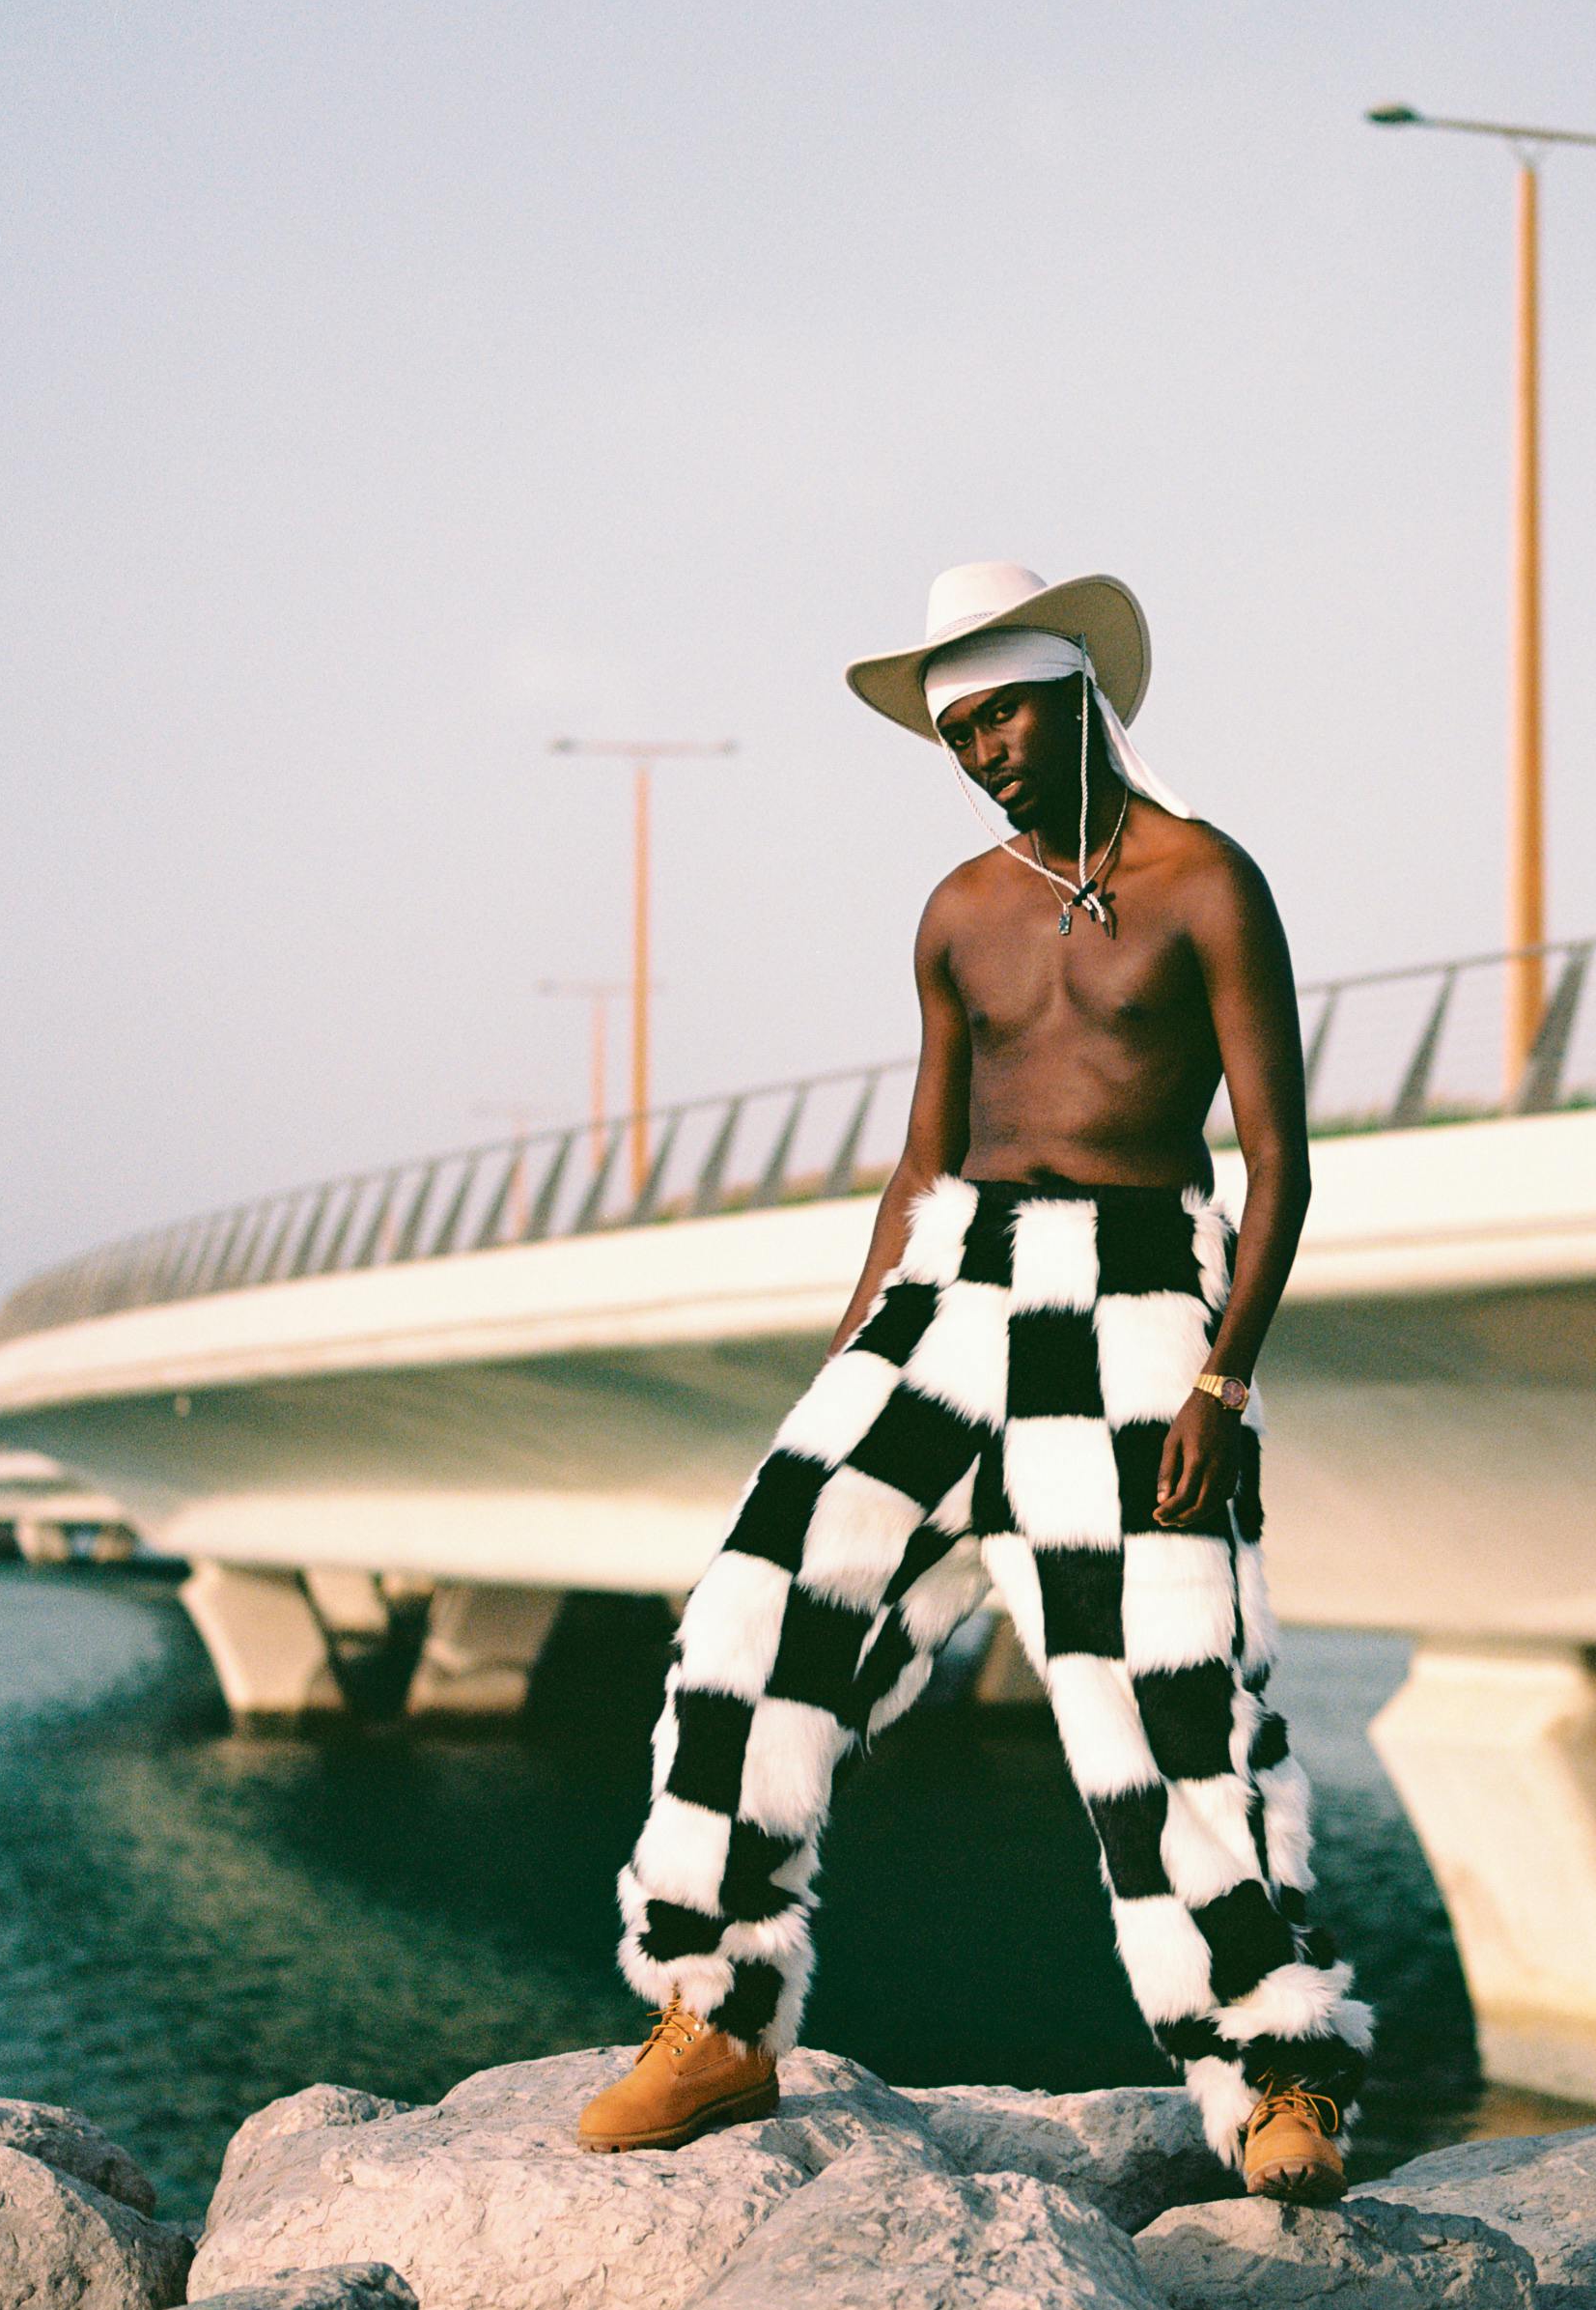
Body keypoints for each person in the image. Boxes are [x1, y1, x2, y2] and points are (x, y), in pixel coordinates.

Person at [576, 563, 1372, 2203]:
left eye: (1001, 712)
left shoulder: (1210, 882)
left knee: (1171, 1686)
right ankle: (714, 2015)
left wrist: (1225, 1381)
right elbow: (923, 1155)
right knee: (752, 1608)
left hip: (1145, 1289)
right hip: (960, 1284)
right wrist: (853, 1359)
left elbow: (1283, 1160)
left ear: (1080, 687)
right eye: (954, 731)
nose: (980, 751)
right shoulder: (957, 910)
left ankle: (1277, 2069)